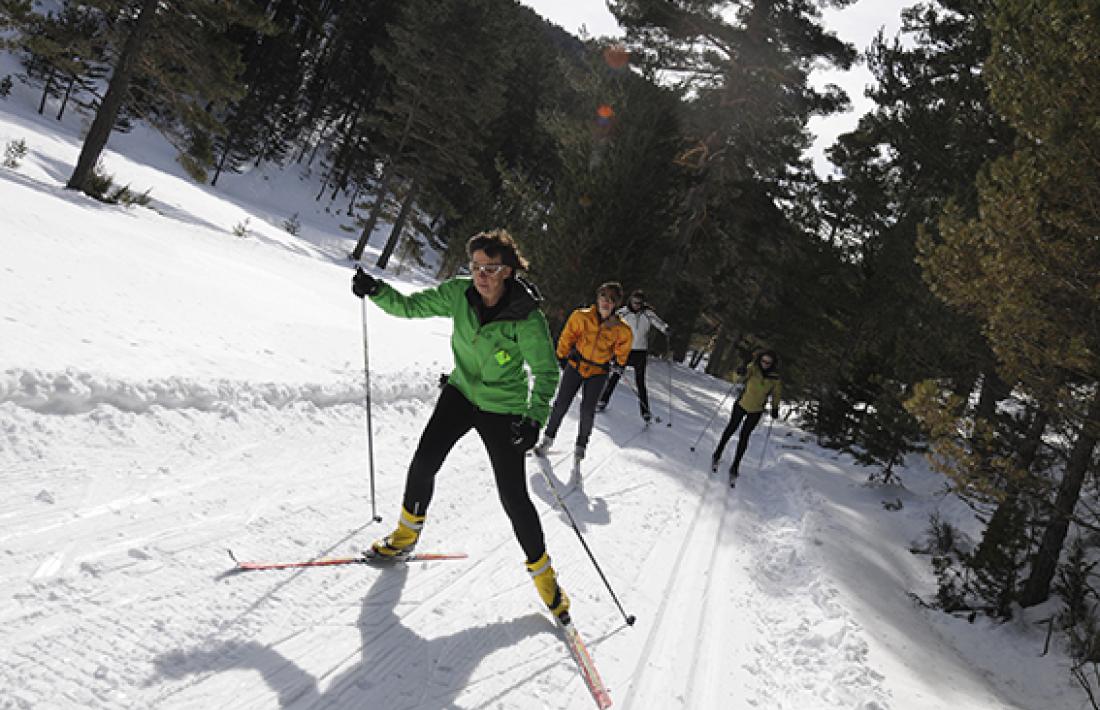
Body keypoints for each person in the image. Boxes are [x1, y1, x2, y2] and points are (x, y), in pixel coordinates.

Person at [351, 229, 570, 622]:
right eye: (475, 267)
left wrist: (534, 419)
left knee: (513, 497)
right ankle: (404, 537)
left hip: (502, 409)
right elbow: (411, 307)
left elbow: (546, 371)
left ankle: (546, 579)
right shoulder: (459, 294)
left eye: (490, 268)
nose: (480, 275)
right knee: (423, 462)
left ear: (507, 272)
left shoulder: (527, 318)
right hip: (460, 393)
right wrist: (377, 291)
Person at [533, 282, 633, 473]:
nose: (606, 302)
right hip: (577, 365)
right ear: (597, 298)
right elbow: (568, 336)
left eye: (611, 300)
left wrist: (619, 362)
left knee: (587, 410)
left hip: (598, 372)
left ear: (616, 305)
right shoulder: (582, 316)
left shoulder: (622, 329)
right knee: (561, 403)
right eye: (603, 297)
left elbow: (623, 349)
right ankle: (547, 439)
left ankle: (580, 447)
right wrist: (562, 355)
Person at [595, 289, 669, 422]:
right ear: (630, 301)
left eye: (639, 303)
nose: (637, 305)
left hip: (640, 352)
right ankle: (602, 401)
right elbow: (610, 322)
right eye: (635, 302)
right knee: (615, 377)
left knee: (640, 382)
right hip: (625, 350)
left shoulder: (648, 314)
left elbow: (659, 324)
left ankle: (645, 412)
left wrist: (666, 329)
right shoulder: (623, 312)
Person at [711, 349, 782, 481]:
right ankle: (718, 452)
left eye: (768, 362)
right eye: (763, 361)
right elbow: (737, 379)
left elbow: (776, 394)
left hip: (756, 410)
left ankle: (736, 465)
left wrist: (775, 408)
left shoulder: (775, 377)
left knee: (745, 436)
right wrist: (739, 372)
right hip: (742, 404)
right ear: (760, 360)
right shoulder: (753, 368)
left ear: (772, 363)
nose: (765, 364)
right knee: (731, 428)